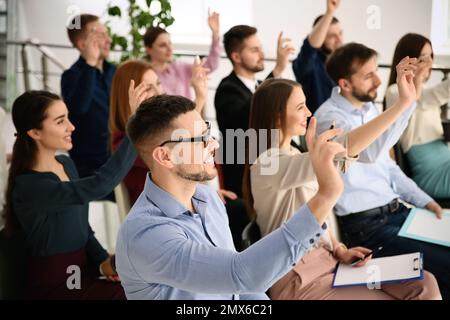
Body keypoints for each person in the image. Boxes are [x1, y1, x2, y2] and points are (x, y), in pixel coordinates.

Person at [115, 94, 345, 300]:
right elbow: (241, 274)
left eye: (208, 132)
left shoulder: (207, 198)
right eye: (200, 139)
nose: (213, 144)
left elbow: (240, 292)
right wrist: (325, 196)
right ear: (165, 156)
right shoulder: (146, 235)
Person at [243, 78, 441, 300]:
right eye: (300, 107)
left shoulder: (294, 154)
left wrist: (338, 248)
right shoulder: (266, 164)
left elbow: (317, 215)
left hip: (331, 262)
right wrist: (401, 105)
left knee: (423, 282)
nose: (309, 113)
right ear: (277, 114)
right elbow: (345, 148)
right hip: (298, 275)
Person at [314, 42, 450, 299]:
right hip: (367, 228)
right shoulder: (329, 119)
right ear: (344, 84)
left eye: (377, 71)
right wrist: (405, 103)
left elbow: (388, 165)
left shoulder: (369, 109)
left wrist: (425, 201)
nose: (378, 81)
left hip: (399, 213)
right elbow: (368, 152)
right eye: (368, 75)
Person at [2, 85, 146, 299]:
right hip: (55, 287)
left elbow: (81, 225)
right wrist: (134, 128)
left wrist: (102, 262)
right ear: (34, 132)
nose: (72, 127)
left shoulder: (66, 164)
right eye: (60, 122)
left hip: (80, 273)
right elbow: (101, 184)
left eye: (67, 118)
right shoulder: (31, 186)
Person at [215, 25, 294, 197]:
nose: (262, 54)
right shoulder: (227, 89)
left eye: (261, 49)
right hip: (244, 180)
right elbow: (247, 121)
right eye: (254, 50)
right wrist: (277, 71)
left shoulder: (258, 86)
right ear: (236, 56)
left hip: (268, 169)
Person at [385, 33, 450, 199]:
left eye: (430, 57)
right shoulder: (394, 91)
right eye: (422, 58)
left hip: (445, 161)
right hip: (430, 172)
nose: (428, 63)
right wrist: (418, 78)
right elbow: (416, 101)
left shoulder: (425, 90)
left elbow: (432, 95)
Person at [61, 14, 115, 185]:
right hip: (89, 167)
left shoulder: (114, 71)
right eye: (101, 35)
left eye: (107, 34)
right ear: (82, 44)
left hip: (119, 159)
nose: (109, 40)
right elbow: (78, 109)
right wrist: (90, 63)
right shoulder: (71, 76)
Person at [143, 10, 220, 101]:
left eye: (170, 43)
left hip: (189, 113)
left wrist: (215, 34)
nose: (170, 48)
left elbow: (211, 65)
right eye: (162, 45)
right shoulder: (146, 76)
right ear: (149, 49)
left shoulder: (180, 68)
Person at [292, 0, 343, 114]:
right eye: (332, 36)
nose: (339, 40)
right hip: (318, 129)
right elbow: (310, 47)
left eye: (340, 33)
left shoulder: (345, 64)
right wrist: (330, 12)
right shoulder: (308, 65)